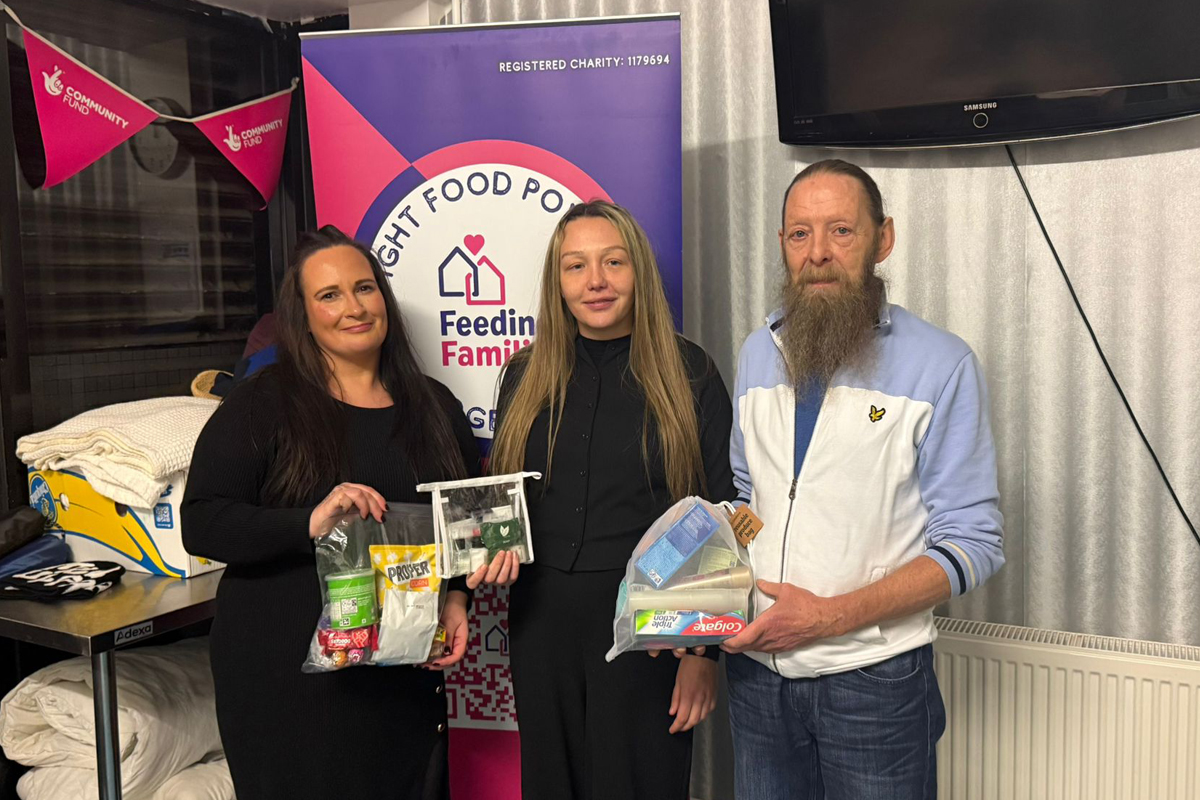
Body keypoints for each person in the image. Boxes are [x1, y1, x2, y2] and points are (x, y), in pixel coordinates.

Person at [721, 159, 1005, 800]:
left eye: (841, 230)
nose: (818, 253)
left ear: (883, 239)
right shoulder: (757, 352)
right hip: (757, 678)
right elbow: (749, 500)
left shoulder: (942, 364)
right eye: (800, 234)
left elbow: (973, 545)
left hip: (874, 683)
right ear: (783, 244)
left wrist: (829, 617)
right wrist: (697, 588)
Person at [182, 226, 481, 800]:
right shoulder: (264, 401)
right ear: (303, 314)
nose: (354, 307)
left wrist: (458, 598)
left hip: (402, 670)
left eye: (364, 288)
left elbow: (461, 525)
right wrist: (308, 522)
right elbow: (202, 522)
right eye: (329, 295)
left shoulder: (435, 406)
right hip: (288, 677)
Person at [484, 200, 736, 800]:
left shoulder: (690, 372)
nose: (595, 281)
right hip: (540, 623)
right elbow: (502, 497)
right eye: (576, 266)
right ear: (558, 282)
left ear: (638, 271)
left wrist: (703, 653)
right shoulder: (523, 375)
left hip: (652, 629)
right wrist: (485, 555)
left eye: (613, 262)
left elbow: (719, 514)